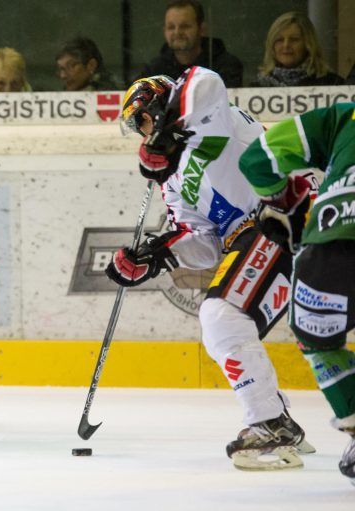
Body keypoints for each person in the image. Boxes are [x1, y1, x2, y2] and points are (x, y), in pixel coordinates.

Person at [106, 67, 314, 470]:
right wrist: (156, 255)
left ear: (160, 105)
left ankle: (270, 426)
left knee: (222, 316)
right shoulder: (171, 178)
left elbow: (206, 81)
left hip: (287, 215)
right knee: (227, 324)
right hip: (261, 235)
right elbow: (204, 239)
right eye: (138, 127)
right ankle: (274, 414)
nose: (144, 130)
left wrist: (169, 135)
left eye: (144, 118)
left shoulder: (208, 114)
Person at [239, 103, 355, 483]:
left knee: (315, 332)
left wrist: (284, 202)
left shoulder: (343, 117)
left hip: (333, 241)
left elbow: (258, 158)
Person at [134, 0, 242, 87]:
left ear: (201, 29)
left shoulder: (226, 66)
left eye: (185, 26)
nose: (177, 32)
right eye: (171, 27)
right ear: (164, 31)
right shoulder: (153, 71)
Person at [251, 12, 344, 87]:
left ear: (308, 44)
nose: (286, 45)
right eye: (279, 40)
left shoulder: (333, 84)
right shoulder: (256, 88)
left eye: (294, 39)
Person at [55, 36, 123, 91]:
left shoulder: (111, 93)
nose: (63, 75)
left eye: (71, 66)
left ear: (91, 65)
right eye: (61, 68)